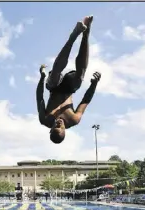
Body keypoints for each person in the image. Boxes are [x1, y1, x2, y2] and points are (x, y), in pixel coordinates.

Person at [37, 16, 101, 144]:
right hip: (69, 88)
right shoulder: (74, 119)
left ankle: (73, 36)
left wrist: (42, 78)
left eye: (55, 126)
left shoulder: (45, 120)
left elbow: (40, 98)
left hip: (53, 88)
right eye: (60, 127)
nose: (58, 123)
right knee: (80, 76)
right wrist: (94, 85)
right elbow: (85, 100)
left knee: (54, 75)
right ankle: (86, 33)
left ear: (50, 130)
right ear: (65, 131)